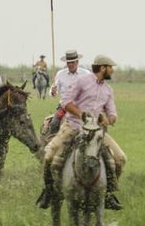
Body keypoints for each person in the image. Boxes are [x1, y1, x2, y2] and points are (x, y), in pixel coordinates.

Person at [36, 54, 126, 211]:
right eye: (110, 67)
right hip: (73, 126)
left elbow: (112, 113)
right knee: (49, 154)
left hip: (97, 132)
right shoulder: (82, 82)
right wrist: (81, 115)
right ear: (103, 68)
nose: (112, 70)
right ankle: (49, 192)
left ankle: (108, 194)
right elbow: (66, 101)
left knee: (120, 160)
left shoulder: (108, 90)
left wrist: (109, 119)